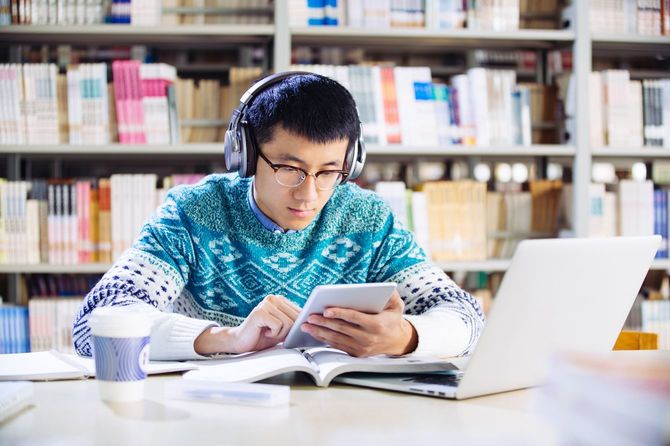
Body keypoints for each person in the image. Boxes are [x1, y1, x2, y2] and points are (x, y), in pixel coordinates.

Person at [73, 71, 484, 360]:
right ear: (247, 154)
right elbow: (95, 324)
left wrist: (406, 336)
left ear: (351, 163)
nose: (310, 193)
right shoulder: (192, 212)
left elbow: (465, 315)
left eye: (328, 172)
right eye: (289, 168)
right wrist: (225, 339)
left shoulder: (367, 219)